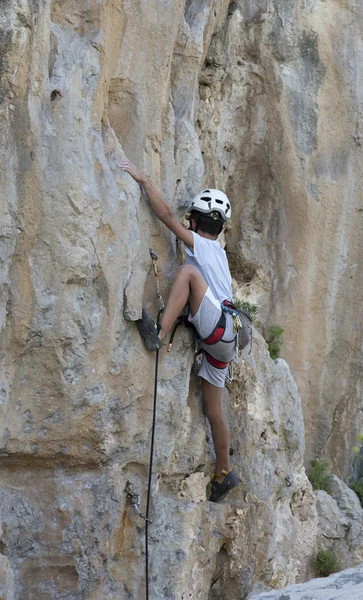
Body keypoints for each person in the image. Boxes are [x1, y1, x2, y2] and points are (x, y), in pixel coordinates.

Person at [119, 159, 240, 502]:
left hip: (218, 329)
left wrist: (144, 179)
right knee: (213, 411)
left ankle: (158, 331)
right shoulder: (218, 254)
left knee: (187, 273)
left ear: (198, 221)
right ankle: (223, 472)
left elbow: (167, 218)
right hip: (225, 342)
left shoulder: (203, 247)